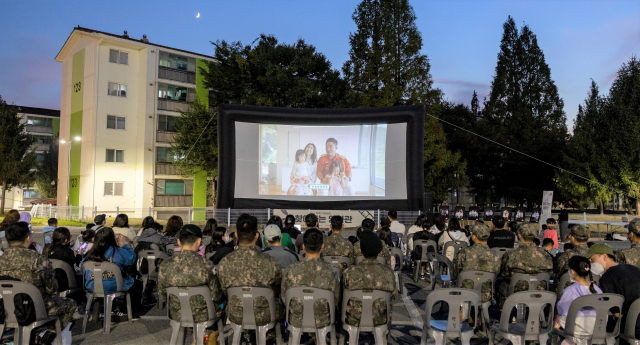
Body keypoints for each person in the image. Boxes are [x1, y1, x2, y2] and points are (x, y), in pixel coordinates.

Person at [0, 222, 77, 342]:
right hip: (35, 309)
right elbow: (51, 288)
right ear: (27, 237)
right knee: (70, 304)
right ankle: (46, 338)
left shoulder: (1, 258)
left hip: (5, 308)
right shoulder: (38, 259)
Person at [216, 215, 284, 327]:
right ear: (257, 236)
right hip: (265, 315)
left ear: (236, 235)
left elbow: (224, 290)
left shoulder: (225, 262)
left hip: (236, 314)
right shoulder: (271, 262)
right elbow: (276, 290)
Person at [157, 224, 222, 328]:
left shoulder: (165, 264)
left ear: (178, 241)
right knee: (223, 305)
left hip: (177, 314)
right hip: (203, 315)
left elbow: (162, 294)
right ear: (199, 241)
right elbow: (216, 295)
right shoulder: (207, 264)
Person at [282, 228, 340, 329]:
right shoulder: (332, 271)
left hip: (296, 319)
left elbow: (284, 298)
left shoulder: (290, 270)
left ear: (303, 247)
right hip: (323, 320)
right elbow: (335, 300)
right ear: (322, 246)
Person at [83, 227, 143, 318]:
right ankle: (128, 312)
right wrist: (124, 245)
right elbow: (131, 259)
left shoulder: (89, 253)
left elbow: (82, 269)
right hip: (114, 285)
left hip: (92, 285)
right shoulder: (118, 251)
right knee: (137, 284)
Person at [343, 230, 397, 327]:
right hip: (380, 318)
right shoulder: (388, 273)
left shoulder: (348, 272)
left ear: (360, 251)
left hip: (353, 318)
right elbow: (392, 295)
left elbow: (342, 294)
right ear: (379, 251)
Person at [588, 243, 640, 339]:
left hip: (632, 328)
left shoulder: (607, 277)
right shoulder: (634, 269)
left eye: (592, 259)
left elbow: (617, 314)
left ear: (604, 257)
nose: (590, 263)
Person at [497, 223, 553, 308]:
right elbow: (549, 274)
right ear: (535, 235)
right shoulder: (546, 255)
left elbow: (505, 274)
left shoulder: (510, 255)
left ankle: (503, 313)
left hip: (515, 293)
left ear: (519, 235)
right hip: (539, 294)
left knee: (499, 282)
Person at [555, 255, 602, 343]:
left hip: (576, 330)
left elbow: (562, 310)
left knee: (558, 319)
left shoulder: (571, 290)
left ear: (572, 272)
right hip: (598, 328)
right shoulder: (597, 289)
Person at [453, 223, 501, 303]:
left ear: (474, 237)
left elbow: (455, 272)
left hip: (465, 292)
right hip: (485, 295)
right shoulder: (495, 255)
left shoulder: (464, 253)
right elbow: (496, 274)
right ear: (488, 235)